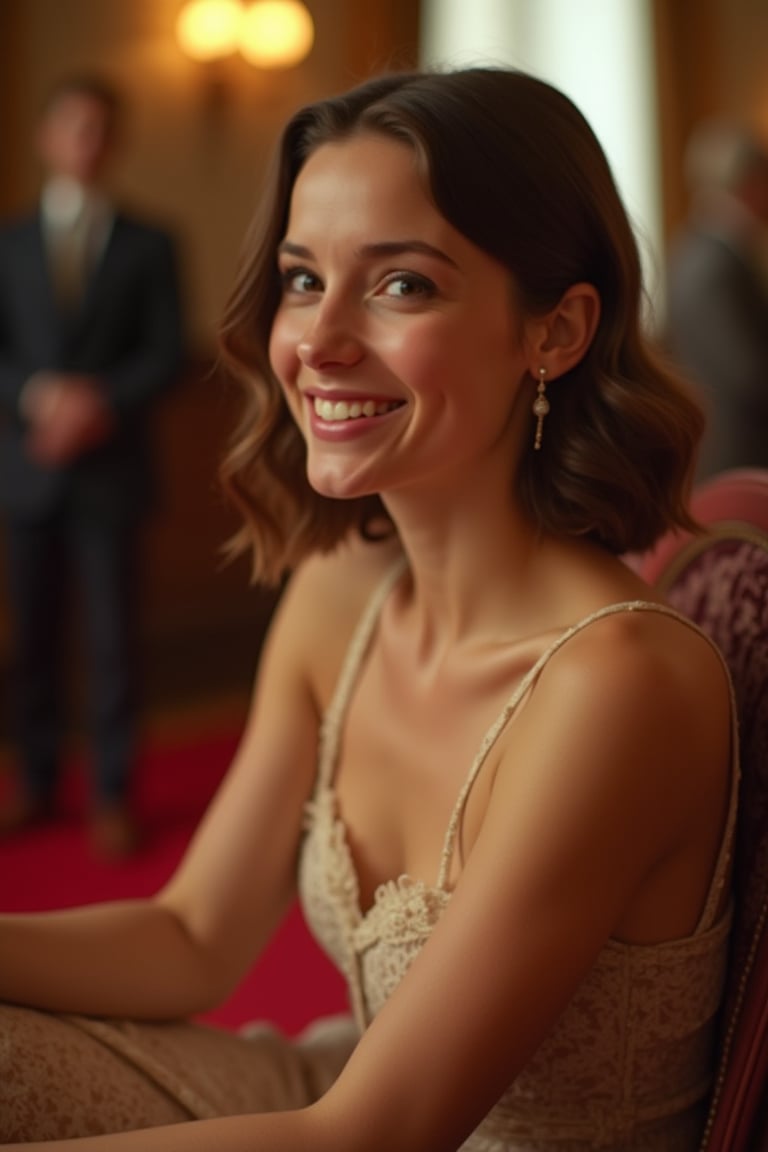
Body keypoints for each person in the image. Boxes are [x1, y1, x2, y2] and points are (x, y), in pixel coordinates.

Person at [0, 67, 737, 1150]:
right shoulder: (336, 596)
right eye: (304, 280)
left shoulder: (618, 685)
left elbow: (376, 1133)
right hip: (327, 1084)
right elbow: (192, 934)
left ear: (558, 331)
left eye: (401, 287)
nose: (319, 341)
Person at [0, 74, 183, 855]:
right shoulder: (6, 242)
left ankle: (113, 794)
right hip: (28, 468)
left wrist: (97, 402)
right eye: (73, 128)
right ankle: (37, 784)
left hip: (111, 471)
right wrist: (40, 397)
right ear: (48, 137)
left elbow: (170, 353)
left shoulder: (152, 241)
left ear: (116, 141)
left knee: (113, 643)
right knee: (31, 640)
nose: (87, 143)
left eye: (101, 130)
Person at [666, 118, 768, 478]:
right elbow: (749, 375)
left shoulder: (705, 250)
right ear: (749, 184)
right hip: (738, 455)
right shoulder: (714, 264)